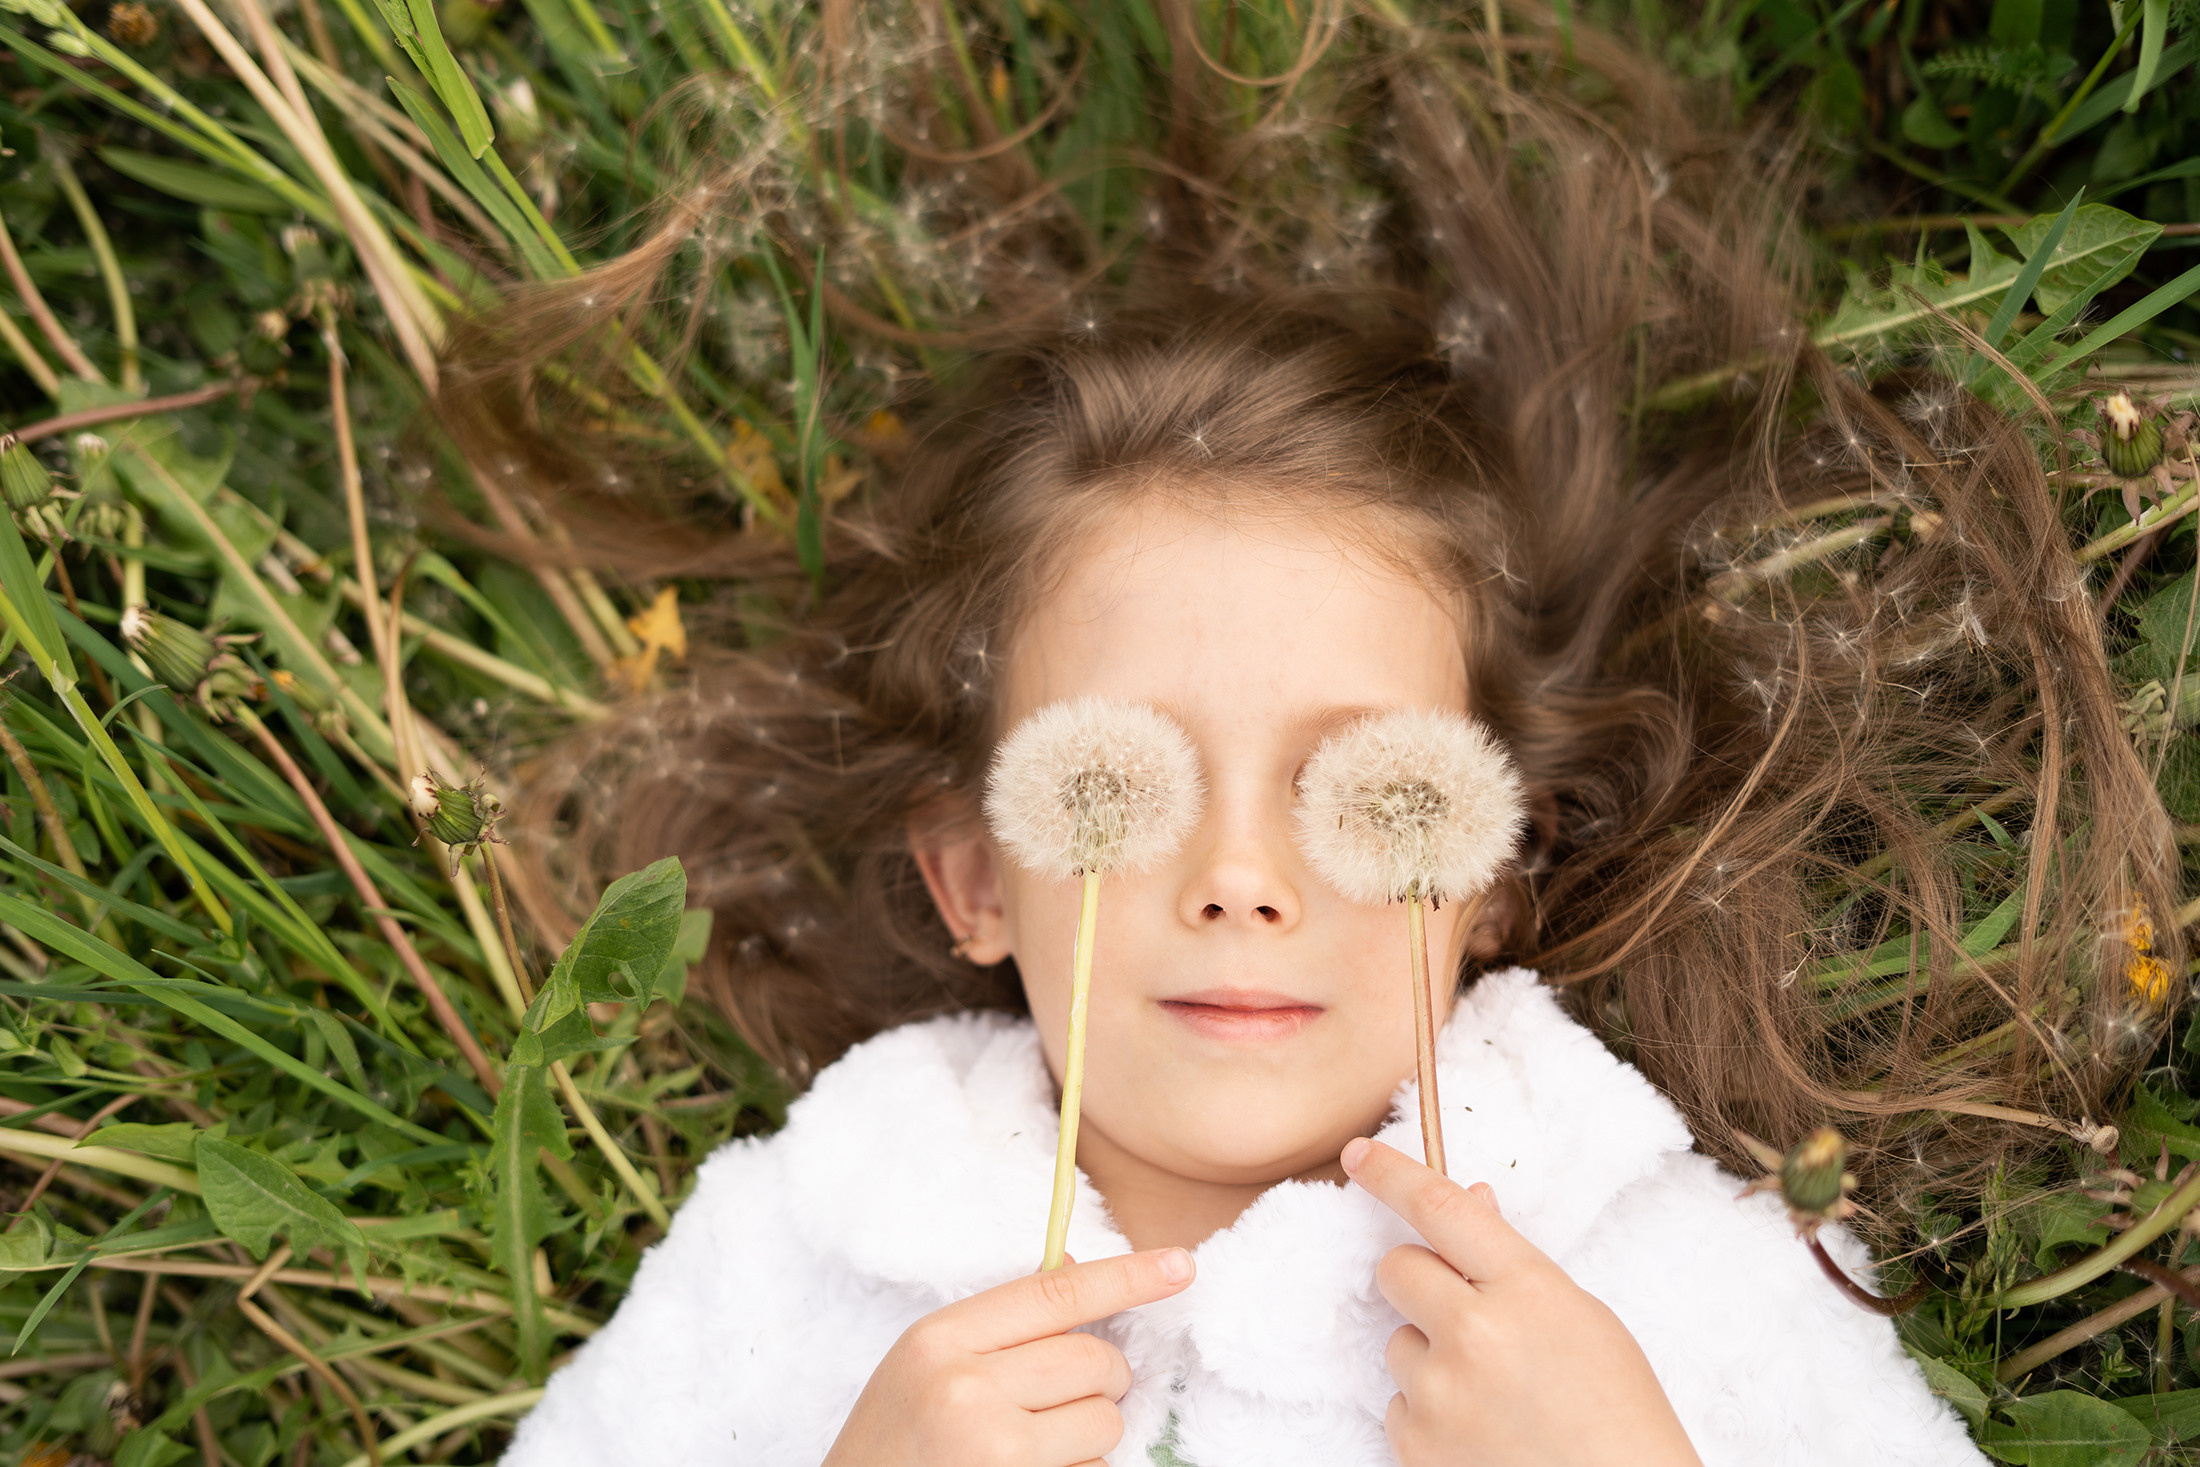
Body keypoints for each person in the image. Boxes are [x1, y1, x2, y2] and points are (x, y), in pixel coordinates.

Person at [446, 3, 2181, 1463]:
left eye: (1368, 792)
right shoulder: (802, 1252)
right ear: (972, 872)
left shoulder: (1657, 1270)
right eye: (1120, 783)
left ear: (1496, 870)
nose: (1239, 880)